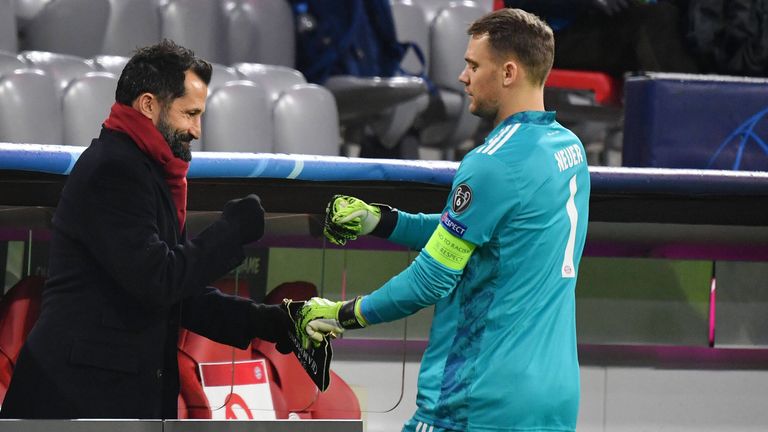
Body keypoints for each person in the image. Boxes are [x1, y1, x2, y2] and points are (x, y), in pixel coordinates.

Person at [294, 8, 591, 432]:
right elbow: (483, 233)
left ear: (508, 72)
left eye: (473, 65)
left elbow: (430, 280)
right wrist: (384, 221)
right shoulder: (570, 149)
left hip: (480, 398)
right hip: (553, 399)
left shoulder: (492, 163)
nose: (462, 77)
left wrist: (342, 314)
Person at [0, 40, 293, 419]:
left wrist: (271, 322)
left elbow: (181, 296)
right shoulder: (113, 170)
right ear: (149, 104)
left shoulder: (150, 173)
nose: (197, 130)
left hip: (111, 401)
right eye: (189, 113)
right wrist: (230, 231)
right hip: (75, 402)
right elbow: (158, 279)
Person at [504, 0, 700, 78]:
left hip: (606, 26)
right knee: (655, 22)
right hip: (545, 38)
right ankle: (686, 123)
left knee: (692, 25)